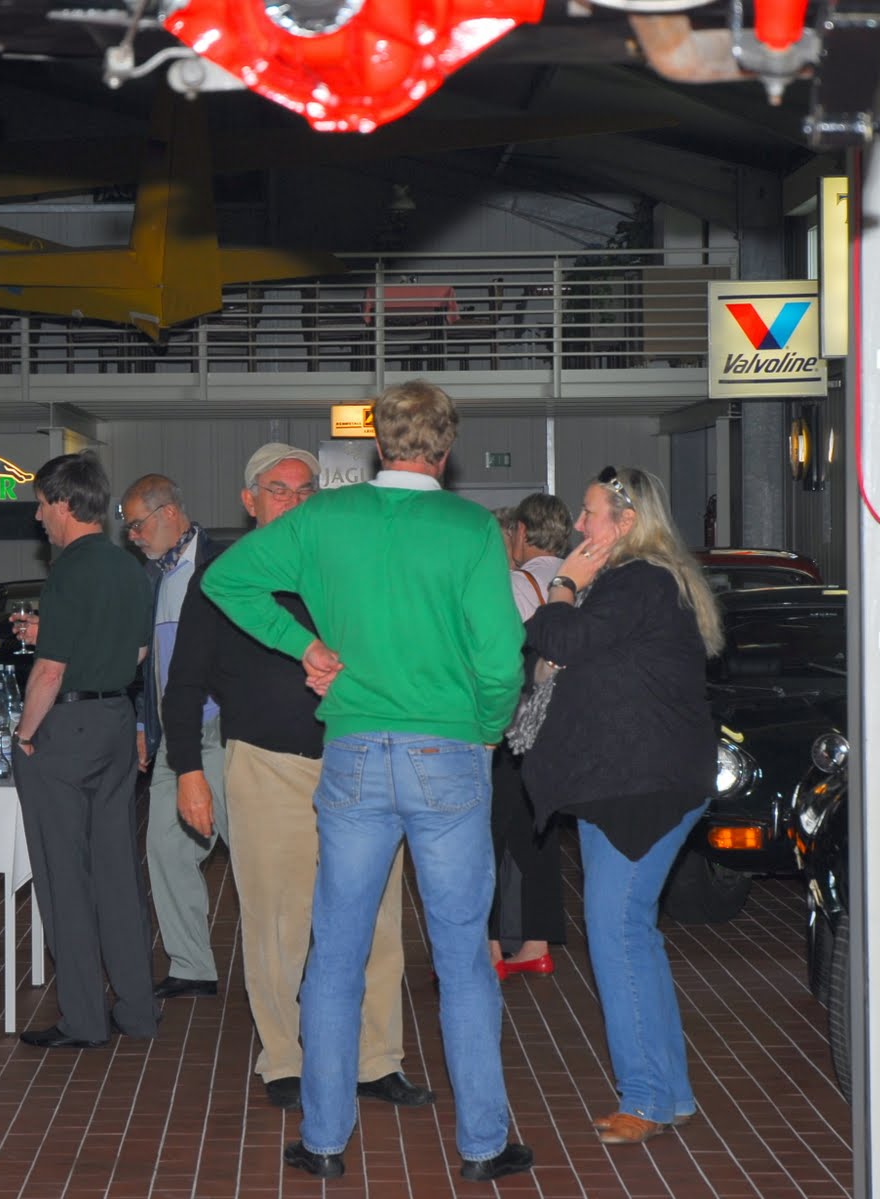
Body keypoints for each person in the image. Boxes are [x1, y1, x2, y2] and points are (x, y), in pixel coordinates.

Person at [205, 381, 534, 1184]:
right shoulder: (469, 528)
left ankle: (323, 1139)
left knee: (336, 952)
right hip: (448, 750)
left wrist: (305, 645)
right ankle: (483, 1143)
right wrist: (488, 728)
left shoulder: (324, 517)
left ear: (378, 444)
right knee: (461, 955)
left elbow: (226, 580)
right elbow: (501, 660)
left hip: (352, 750)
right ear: (446, 449)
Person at [163, 443, 431, 1113]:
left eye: (306, 489)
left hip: (360, 760)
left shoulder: (342, 565)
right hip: (267, 766)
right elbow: (183, 681)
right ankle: (284, 1055)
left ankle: (376, 1059)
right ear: (249, 500)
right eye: (278, 489)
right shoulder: (221, 577)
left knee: (378, 916)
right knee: (276, 920)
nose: (293, 500)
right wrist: (188, 771)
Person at [520, 465, 723, 1145]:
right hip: (634, 783)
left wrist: (563, 584)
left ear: (626, 521)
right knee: (632, 933)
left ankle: (646, 1099)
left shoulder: (639, 580)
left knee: (616, 934)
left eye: (589, 513)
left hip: (641, 788)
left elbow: (559, 639)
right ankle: (669, 1093)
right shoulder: (646, 581)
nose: (579, 525)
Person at [10, 452, 157, 1049]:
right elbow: (138, 653)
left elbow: (49, 672)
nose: (39, 517)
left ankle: (84, 1018)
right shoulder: (129, 567)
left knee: (64, 877)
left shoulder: (69, 571)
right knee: (118, 869)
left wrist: (24, 735)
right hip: (116, 719)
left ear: (65, 504)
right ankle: (138, 1009)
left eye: (42, 505)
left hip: (66, 730)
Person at [120, 473, 228, 1000]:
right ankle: (191, 967)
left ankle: (295, 966)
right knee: (165, 847)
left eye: (137, 525)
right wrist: (145, 723)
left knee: (254, 855)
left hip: (224, 732)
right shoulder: (153, 576)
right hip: (172, 736)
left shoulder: (220, 564)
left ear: (167, 513)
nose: (132, 535)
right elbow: (150, 660)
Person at [488, 494, 572, 979]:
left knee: (490, 836)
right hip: (562, 729)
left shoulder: (513, 584)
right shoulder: (581, 582)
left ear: (521, 532)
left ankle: (491, 946)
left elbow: (498, 655)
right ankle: (537, 942)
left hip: (514, 727)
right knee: (537, 834)